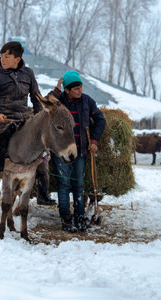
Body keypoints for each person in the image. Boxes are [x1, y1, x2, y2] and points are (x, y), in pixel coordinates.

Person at [0, 41, 55, 205]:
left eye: (7, 56)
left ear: (17, 59)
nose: (3, 59)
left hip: (24, 119)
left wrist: (40, 118)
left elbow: (36, 99)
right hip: (1, 120)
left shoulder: (28, 73)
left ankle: (43, 192)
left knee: (43, 149)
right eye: (2, 55)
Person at [48, 70, 106, 232]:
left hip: (80, 150)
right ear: (67, 90)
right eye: (75, 89)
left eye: (80, 87)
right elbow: (44, 103)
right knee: (64, 184)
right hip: (62, 151)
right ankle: (65, 218)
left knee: (78, 184)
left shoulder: (87, 101)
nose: (79, 91)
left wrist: (94, 140)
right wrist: (57, 88)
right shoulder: (58, 101)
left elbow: (100, 119)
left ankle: (79, 217)